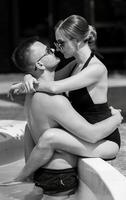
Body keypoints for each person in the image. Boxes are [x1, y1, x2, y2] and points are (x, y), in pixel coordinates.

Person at [7, 35, 122, 192]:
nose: (53, 49)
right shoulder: (54, 100)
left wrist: (27, 77)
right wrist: (116, 119)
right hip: (59, 176)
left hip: (44, 173)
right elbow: (92, 135)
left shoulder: (31, 94)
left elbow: (29, 129)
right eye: (48, 50)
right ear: (40, 64)